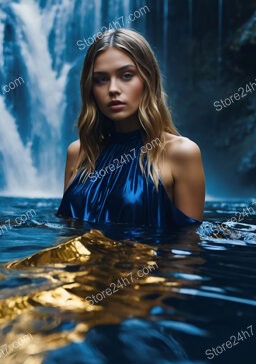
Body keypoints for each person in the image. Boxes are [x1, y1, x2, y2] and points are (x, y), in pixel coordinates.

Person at [57, 28, 205, 228]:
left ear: (148, 80)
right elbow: (67, 232)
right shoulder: (79, 152)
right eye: (101, 79)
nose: (113, 89)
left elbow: (188, 247)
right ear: (90, 88)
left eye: (126, 75)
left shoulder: (181, 153)